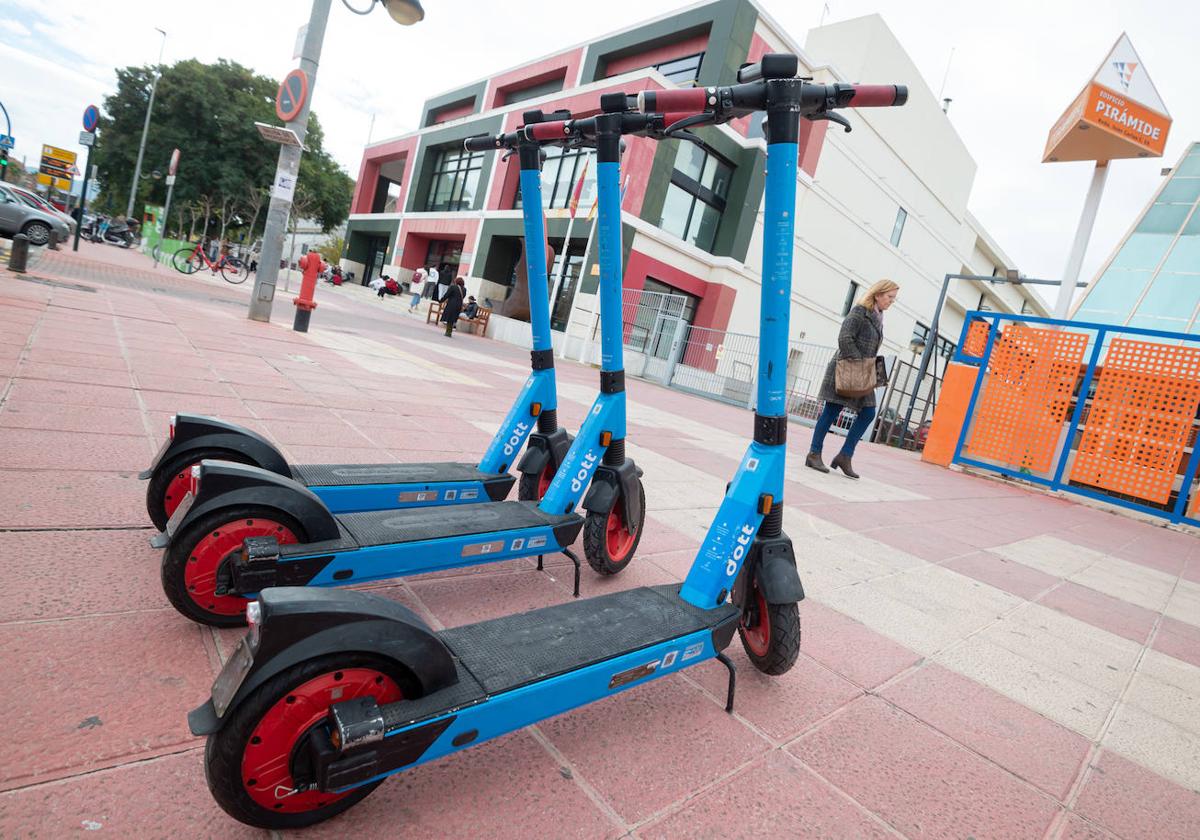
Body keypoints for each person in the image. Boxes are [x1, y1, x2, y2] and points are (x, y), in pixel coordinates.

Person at [806, 278, 899, 479]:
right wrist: (859, 364)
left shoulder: (878, 316)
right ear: (878, 294)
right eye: (890, 297)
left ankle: (845, 455)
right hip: (846, 368)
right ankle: (814, 454)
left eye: (894, 298)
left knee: (868, 413)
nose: (892, 301)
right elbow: (844, 338)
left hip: (861, 373)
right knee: (831, 412)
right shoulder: (859, 312)